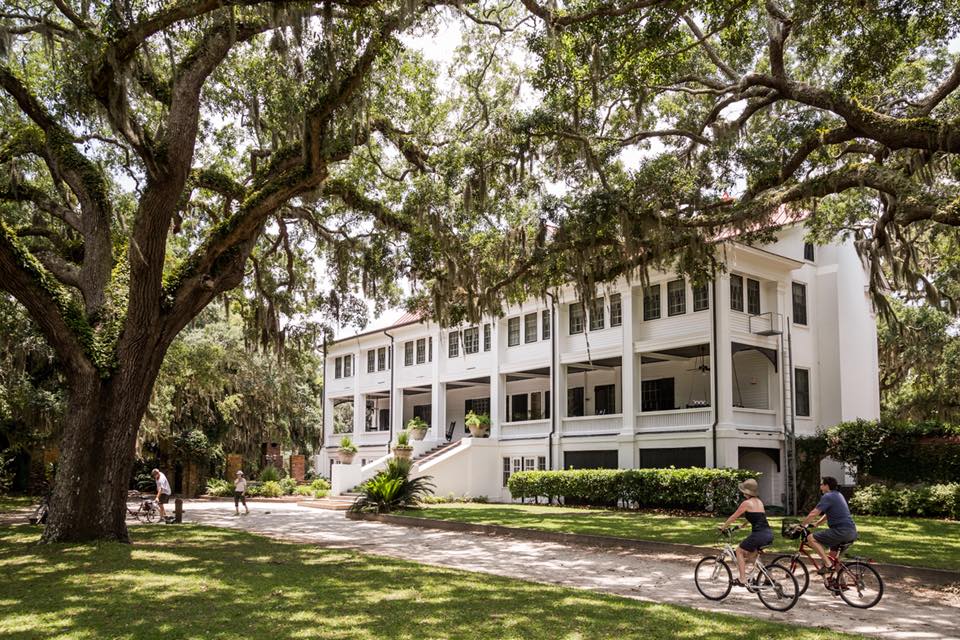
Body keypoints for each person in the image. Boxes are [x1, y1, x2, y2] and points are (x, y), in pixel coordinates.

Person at [719, 478, 773, 588]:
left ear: (745, 492)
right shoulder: (759, 502)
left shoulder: (746, 503)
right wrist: (743, 525)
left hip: (759, 535)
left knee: (739, 551)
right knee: (752, 557)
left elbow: (734, 516)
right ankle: (769, 578)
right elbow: (757, 516)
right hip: (768, 534)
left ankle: (742, 579)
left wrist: (723, 527)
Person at [800, 476, 857, 574]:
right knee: (833, 558)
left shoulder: (828, 496)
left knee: (810, 538)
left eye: (821, 484)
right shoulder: (838, 495)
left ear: (827, 486)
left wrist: (802, 525)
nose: (820, 487)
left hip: (840, 531)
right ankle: (840, 583)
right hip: (851, 532)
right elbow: (828, 514)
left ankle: (828, 565)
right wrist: (817, 523)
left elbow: (814, 513)